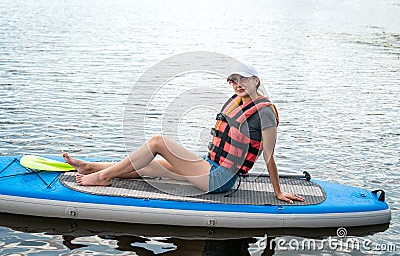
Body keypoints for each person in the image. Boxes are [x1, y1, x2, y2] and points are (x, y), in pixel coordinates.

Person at [63, 63, 304, 203]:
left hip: (220, 178)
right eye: (233, 80)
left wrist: (278, 192)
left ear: (256, 80)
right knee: (152, 167)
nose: (238, 84)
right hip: (210, 167)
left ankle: (103, 178)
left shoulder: (265, 112)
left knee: (158, 142)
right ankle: (91, 167)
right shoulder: (238, 102)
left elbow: (269, 155)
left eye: (243, 79)